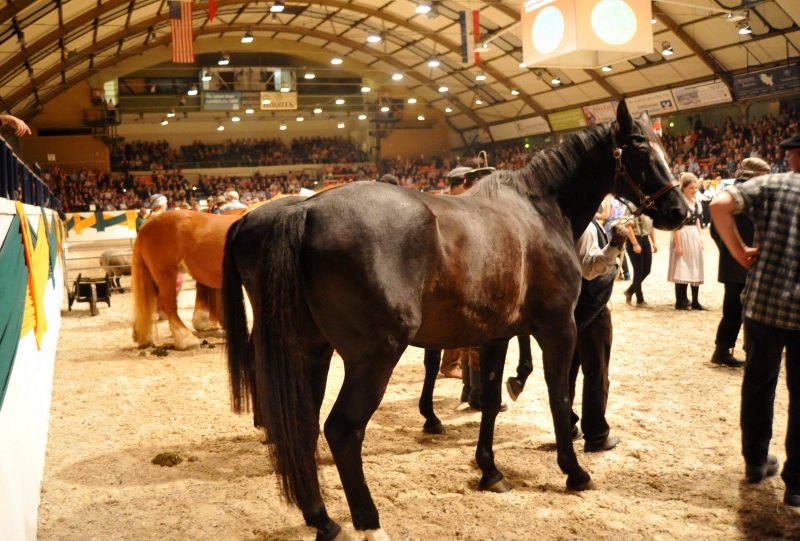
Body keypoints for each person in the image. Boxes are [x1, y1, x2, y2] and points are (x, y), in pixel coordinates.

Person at [709, 133, 800, 512]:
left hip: (763, 304)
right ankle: (795, 485)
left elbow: (718, 204)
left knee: (759, 383)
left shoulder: (773, 182)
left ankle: (756, 461)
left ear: (794, 156)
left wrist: (739, 250)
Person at [571, 218, 628, 452]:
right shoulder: (584, 225)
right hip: (591, 308)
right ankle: (595, 435)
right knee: (596, 372)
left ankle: (565, 428)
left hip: (567, 307)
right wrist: (615, 244)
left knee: (566, 373)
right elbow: (590, 269)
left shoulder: (563, 216)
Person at [709, 158, 770, 368]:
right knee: (753, 310)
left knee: (732, 309)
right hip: (752, 259)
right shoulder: (756, 194)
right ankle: (751, 351)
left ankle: (722, 349)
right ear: (761, 175)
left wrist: (730, 250)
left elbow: (714, 229)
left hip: (732, 261)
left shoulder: (728, 193)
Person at [668, 173, 706, 310]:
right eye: (691, 188)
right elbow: (676, 225)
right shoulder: (679, 203)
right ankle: (680, 301)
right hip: (682, 234)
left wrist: (700, 237)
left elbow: (696, 221)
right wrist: (678, 244)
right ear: (683, 188)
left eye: (696, 187)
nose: (694, 190)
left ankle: (695, 301)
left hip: (693, 235)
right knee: (682, 267)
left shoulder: (696, 202)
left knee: (696, 265)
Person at [622, 201, 657, 307]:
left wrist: (654, 241)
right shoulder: (632, 206)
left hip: (645, 239)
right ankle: (639, 300)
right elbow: (628, 226)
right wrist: (635, 243)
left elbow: (651, 225)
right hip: (635, 239)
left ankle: (629, 291)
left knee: (647, 270)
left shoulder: (649, 207)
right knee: (638, 270)